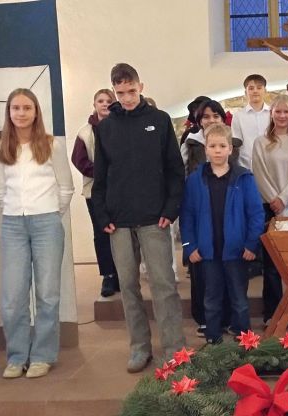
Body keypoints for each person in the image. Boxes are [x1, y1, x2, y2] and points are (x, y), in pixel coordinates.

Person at [91, 63, 186, 373]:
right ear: (114, 92)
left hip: (154, 218)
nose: (127, 98)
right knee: (128, 286)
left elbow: (175, 170)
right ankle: (139, 347)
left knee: (163, 285)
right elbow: (100, 176)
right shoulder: (106, 127)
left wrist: (170, 209)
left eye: (131, 91)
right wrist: (102, 214)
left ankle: (173, 348)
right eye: (121, 93)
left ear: (141, 87)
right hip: (118, 221)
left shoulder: (159, 121)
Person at [0, 88, 74, 379]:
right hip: (13, 225)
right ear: (9, 112)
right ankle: (17, 356)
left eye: (27, 107)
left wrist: (50, 214)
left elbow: (66, 188)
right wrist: (16, 212)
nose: (21, 113)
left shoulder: (52, 146)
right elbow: (1, 192)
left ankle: (42, 355)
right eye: (16, 108)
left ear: (36, 111)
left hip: (46, 223)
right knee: (13, 297)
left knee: (47, 294)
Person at [180, 124, 265, 344]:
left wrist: (251, 244)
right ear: (205, 149)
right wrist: (189, 246)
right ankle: (213, 339)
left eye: (222, 146)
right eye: (212, 146)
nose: (217, 150)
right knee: (211, 298)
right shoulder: (195, 180)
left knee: (239, 298)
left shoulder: (244, 178)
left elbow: (256, 214)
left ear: (230, 149)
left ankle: (244, 338)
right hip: (207, 252)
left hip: (237, 251)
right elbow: (187, 215)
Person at [252, 95, 288, 325]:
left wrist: (284, 199)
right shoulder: (261, 142)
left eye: (287, 112)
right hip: (269, 205)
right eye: (278, 111)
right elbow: (259, 173)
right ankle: (273, 312)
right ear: (272, 113)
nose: (282, 116)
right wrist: (275, 200)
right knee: (272, 263)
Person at [180, 98, 234, 336]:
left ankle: (227, 317)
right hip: (200, 211)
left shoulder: (232, 142)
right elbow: (181, 172)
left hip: (226, 211)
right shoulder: (191, 142)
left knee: (226, 269)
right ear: (199, 120)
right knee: (201, 270)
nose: (211, 120)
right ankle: (203, 317)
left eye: (216, 116)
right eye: (206, 117)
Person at [72, 89, 120, 298]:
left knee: (122, 232)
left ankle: (122, 274)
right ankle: (108, 275)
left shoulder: (122, 127)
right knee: (101, 233)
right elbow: (79, 160)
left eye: (109, 100)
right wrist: (102, 174)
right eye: (100, 100)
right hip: (94, 191)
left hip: (120, 190)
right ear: (94, 104)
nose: (105, 104)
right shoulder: (84, 133)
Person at [231, 74, 271, 170]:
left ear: (265, 91)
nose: (255, 91)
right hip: (246, 167)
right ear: (246, 92)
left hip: (270, 167)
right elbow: (236, 143)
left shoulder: (273, 113)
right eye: (251, 88)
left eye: (259, 88)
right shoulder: (238, 116)